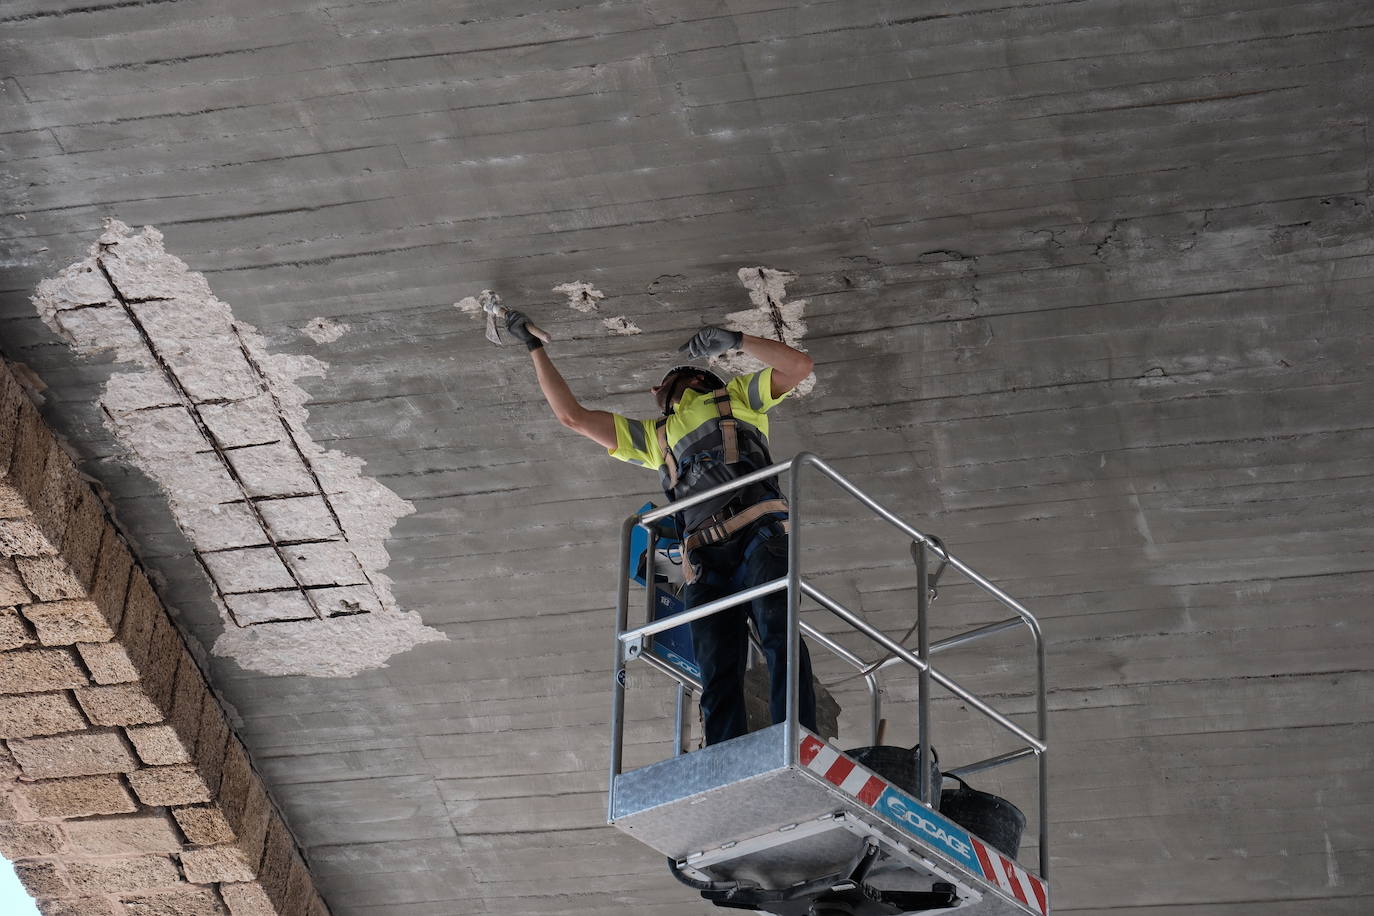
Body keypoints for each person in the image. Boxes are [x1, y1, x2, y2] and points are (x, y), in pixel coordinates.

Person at [505, 310, 818, 746]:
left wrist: (737, 340)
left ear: (692, 380)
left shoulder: (735, 397)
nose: (653, 391)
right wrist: (533, 347)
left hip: (756, 534)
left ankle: (798, 742)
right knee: (716, 670)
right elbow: (572, 417)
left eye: (663, 382)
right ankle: (724, 758)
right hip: (705, 561)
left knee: (778, 634)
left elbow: (799, 366)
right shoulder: (657, 438)